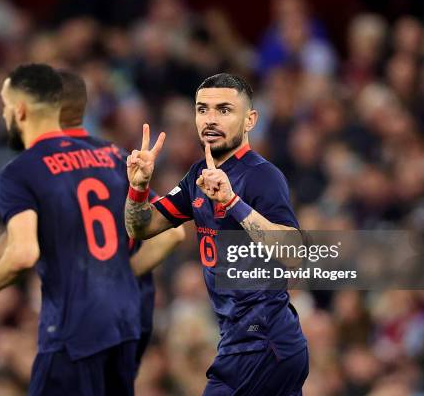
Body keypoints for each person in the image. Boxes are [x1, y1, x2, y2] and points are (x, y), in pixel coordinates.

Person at [0, 64, 183, 396]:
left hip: (73, 330)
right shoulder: (114, 156)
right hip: (125, 324)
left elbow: (22, 251)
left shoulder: (26, 170)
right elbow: (172, 233)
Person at [124, 73, 309, 395]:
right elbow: (142, 227)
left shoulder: (261, 176)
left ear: (250, 120)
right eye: (202, 109)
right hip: (244, 341)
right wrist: (139, 187)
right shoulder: (199, 174)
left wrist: (232, 202)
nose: (210, 119)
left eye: (224, 110)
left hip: (261, 344)